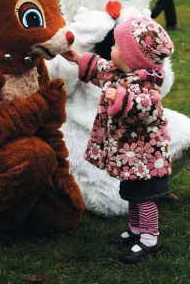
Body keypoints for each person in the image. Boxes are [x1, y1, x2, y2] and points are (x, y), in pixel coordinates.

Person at [62, 17, 174, 264]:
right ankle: (135, 230)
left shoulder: (146, 85)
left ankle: (149, 238)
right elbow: (99, 68)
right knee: (132, 194)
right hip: (132, 158)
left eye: (116, 47)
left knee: (144, 198)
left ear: (133, 57)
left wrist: (121, 98)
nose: (111, 50)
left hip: (147, 159)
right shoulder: (117, 73)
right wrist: (76, 56)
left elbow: (148, 108)